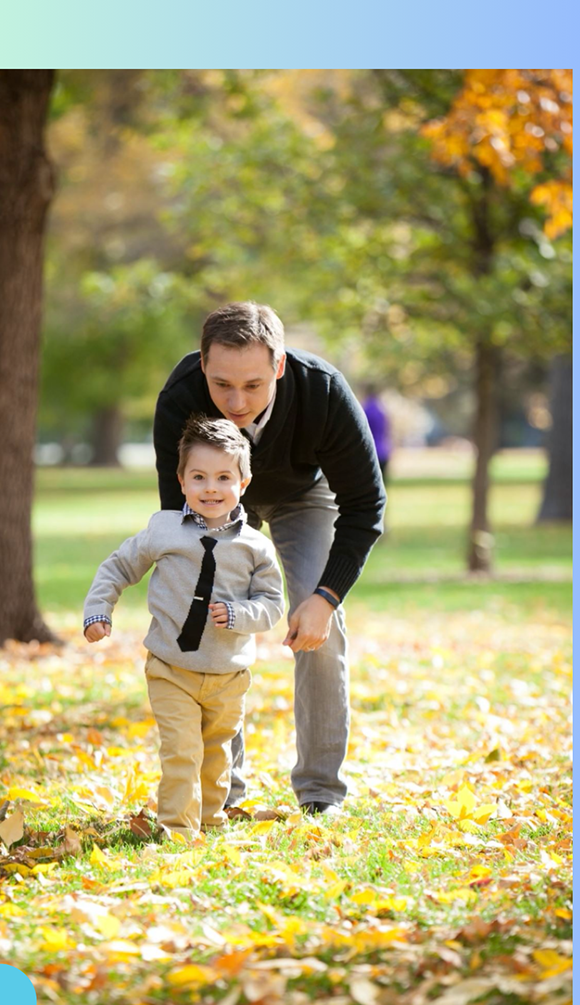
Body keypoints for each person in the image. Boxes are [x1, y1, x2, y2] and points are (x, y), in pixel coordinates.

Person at [154, 302, 386, 817]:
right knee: (213, 619)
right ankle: (224, 792)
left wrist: (326, 597)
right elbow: (180, 512)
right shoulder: (180, 396)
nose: (236, 402)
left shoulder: (323, 390)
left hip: (302, 493)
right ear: (203, 365)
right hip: (217, 499)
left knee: (317, 621)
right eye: (222, 385)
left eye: (254, 386)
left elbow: (366, 505)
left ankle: (321, 791)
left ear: (279, 365)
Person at [83, 414, 284, 834]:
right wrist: (98, 610)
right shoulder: (163, 530)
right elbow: (118, 567)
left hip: (228, 674)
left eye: (224, 477)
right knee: (182, 750)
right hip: (171, 668)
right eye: (199, 477)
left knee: (217, 753)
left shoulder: (256, 548)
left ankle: (210, 821)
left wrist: (239, 615)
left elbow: (271, 605)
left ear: (243, 483)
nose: (211, 487)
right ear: (181, 481)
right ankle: (176, 829)